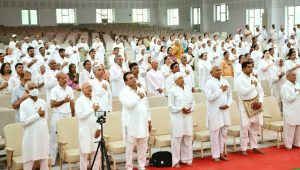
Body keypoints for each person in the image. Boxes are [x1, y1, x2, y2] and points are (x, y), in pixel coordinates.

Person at [119, 72, 151, 170]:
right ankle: (129, 166)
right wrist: (139, 97)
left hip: (143, 122)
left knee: (143, 144)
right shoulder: (123, 92)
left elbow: (147, 107)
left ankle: (142, 165)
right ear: (126, 82)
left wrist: (149, 120)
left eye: (134, 77)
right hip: (131, 123)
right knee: (130, 147)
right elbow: (129, 105)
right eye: (130, 78)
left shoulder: (141, 89)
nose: (134, 79)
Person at [234, 61, 265, 155]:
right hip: (245, 105)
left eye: (252, 67)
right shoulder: (239, 79)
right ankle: (243, 148)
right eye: (248, 67)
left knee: (256, 126)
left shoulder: (254, 78)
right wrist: (252, 86)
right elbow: (243, 92)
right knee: (245, 127)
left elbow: (261, 91)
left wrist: (260, 102)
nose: (251, 69)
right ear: (243, 68)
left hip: (256, 104)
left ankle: (255, 146)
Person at [205, 65, 232, 162]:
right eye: (217, 70)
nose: (219, 71)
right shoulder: (209, 83)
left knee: (223, 133)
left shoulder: (225, 81)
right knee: (215, 133)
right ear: (211, 72)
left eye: (220, 70)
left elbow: (230, 95)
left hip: (225, 110)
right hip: (214, 111)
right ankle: (215, 155)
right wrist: (221, 90)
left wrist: (228, 104)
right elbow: (209, 98)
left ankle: (221, 153)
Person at [20, 81, 49, 170]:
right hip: (31, 137)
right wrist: (37, 115)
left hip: (42, 135)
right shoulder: (24, 104)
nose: (35, 89)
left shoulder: (43, 102)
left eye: (36, 87)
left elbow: (45, 119)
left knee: (44, 161)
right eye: (32, 88)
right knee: (28, 161)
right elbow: (23, 122)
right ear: (27, 91)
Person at [168, 72, 194, 168]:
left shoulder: (187, 89)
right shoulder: (172, 91)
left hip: (188, 116)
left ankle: (186, 159)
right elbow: (170, 107)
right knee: (176, 139)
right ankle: (175, 161)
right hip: (177, 118)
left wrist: (191, 109)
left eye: (182, 77)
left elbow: (193, 101)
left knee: (187, 138)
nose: (182, 79)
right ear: (175, 81)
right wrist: (180, 109)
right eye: (179, 78)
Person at [50, 72, 75, 166]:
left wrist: (73, 115)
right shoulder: (54, 90)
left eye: (66, 78)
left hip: (68, 115)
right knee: (54, 138)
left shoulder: (69, 89)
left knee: (67, 137)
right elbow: (52, 104)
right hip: (58, 115)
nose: (65, 80)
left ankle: (65, 158)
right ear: (58, 79)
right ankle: (52, 161)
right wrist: (63, 101)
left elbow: (72, 102)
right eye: (63, 78)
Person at [75, 82, 101, 170]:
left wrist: (99, 128)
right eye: (87, 87)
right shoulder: (79, 101)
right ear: (82, 90)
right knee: (84, 155)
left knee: (96, 154)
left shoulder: (96, 98)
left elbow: (101, 115)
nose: (89, 88)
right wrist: (92, 109)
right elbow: (80, 116)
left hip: (96, 131)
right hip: (85, 131)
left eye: (90, 86)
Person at [281, 70, 300, 149]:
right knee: (290, 128)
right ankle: (288, 145)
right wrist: (297, 93)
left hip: (298, 109)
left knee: (298, 127)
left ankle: (297, 143)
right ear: (287, 76)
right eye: (292, 75)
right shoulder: (285, 87)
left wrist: (297, 92)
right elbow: (288, 99)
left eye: (295, 75)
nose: (294, 77)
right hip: (290, 110)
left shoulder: (297, 84)